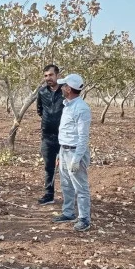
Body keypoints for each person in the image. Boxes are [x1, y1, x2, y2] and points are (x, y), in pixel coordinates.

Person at [52, 74, 92, 231]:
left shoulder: (81, 109)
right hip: (64, 150)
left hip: (75, 152)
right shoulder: (68, 105)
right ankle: (68, 212)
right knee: (66, 185)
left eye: (64, 86)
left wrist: (76, 159)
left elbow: (83, 138)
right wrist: (60, 153)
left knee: (80, 187)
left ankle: (84, 218)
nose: (61, 88)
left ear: (69, 89)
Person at [36, 64, 63, 205]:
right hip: (47, 136)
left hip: (63, 136)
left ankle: (69, 196)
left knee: (66, 168)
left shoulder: (65, 91)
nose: (48, 78)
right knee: (48, 167)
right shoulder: (42, 92)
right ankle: (49, 194)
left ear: (57, 75)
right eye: (46, 75)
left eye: (51, 75)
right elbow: (40, 110)